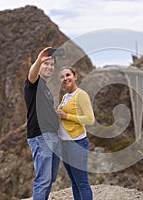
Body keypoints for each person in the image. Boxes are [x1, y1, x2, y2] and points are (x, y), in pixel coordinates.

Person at [24, 47, 60, 200]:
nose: (49, 67)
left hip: (52, 137)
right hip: (40, 137)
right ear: (39, 66)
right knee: (43, 180)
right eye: (46, 64)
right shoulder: (34, 83)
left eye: (52, 65)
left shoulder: (45, 87)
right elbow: (31, 75)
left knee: (50, 178)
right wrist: (39, 60)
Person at [57, 67, 95, 200]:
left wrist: (67, 116)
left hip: (77, 143)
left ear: (75, 76)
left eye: (68, 75)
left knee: (82, 183)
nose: (65, 78)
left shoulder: (81, 95)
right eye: (62, 77)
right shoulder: (65, 97)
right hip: (65, 144)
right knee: (74, 183)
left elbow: (90, 119)